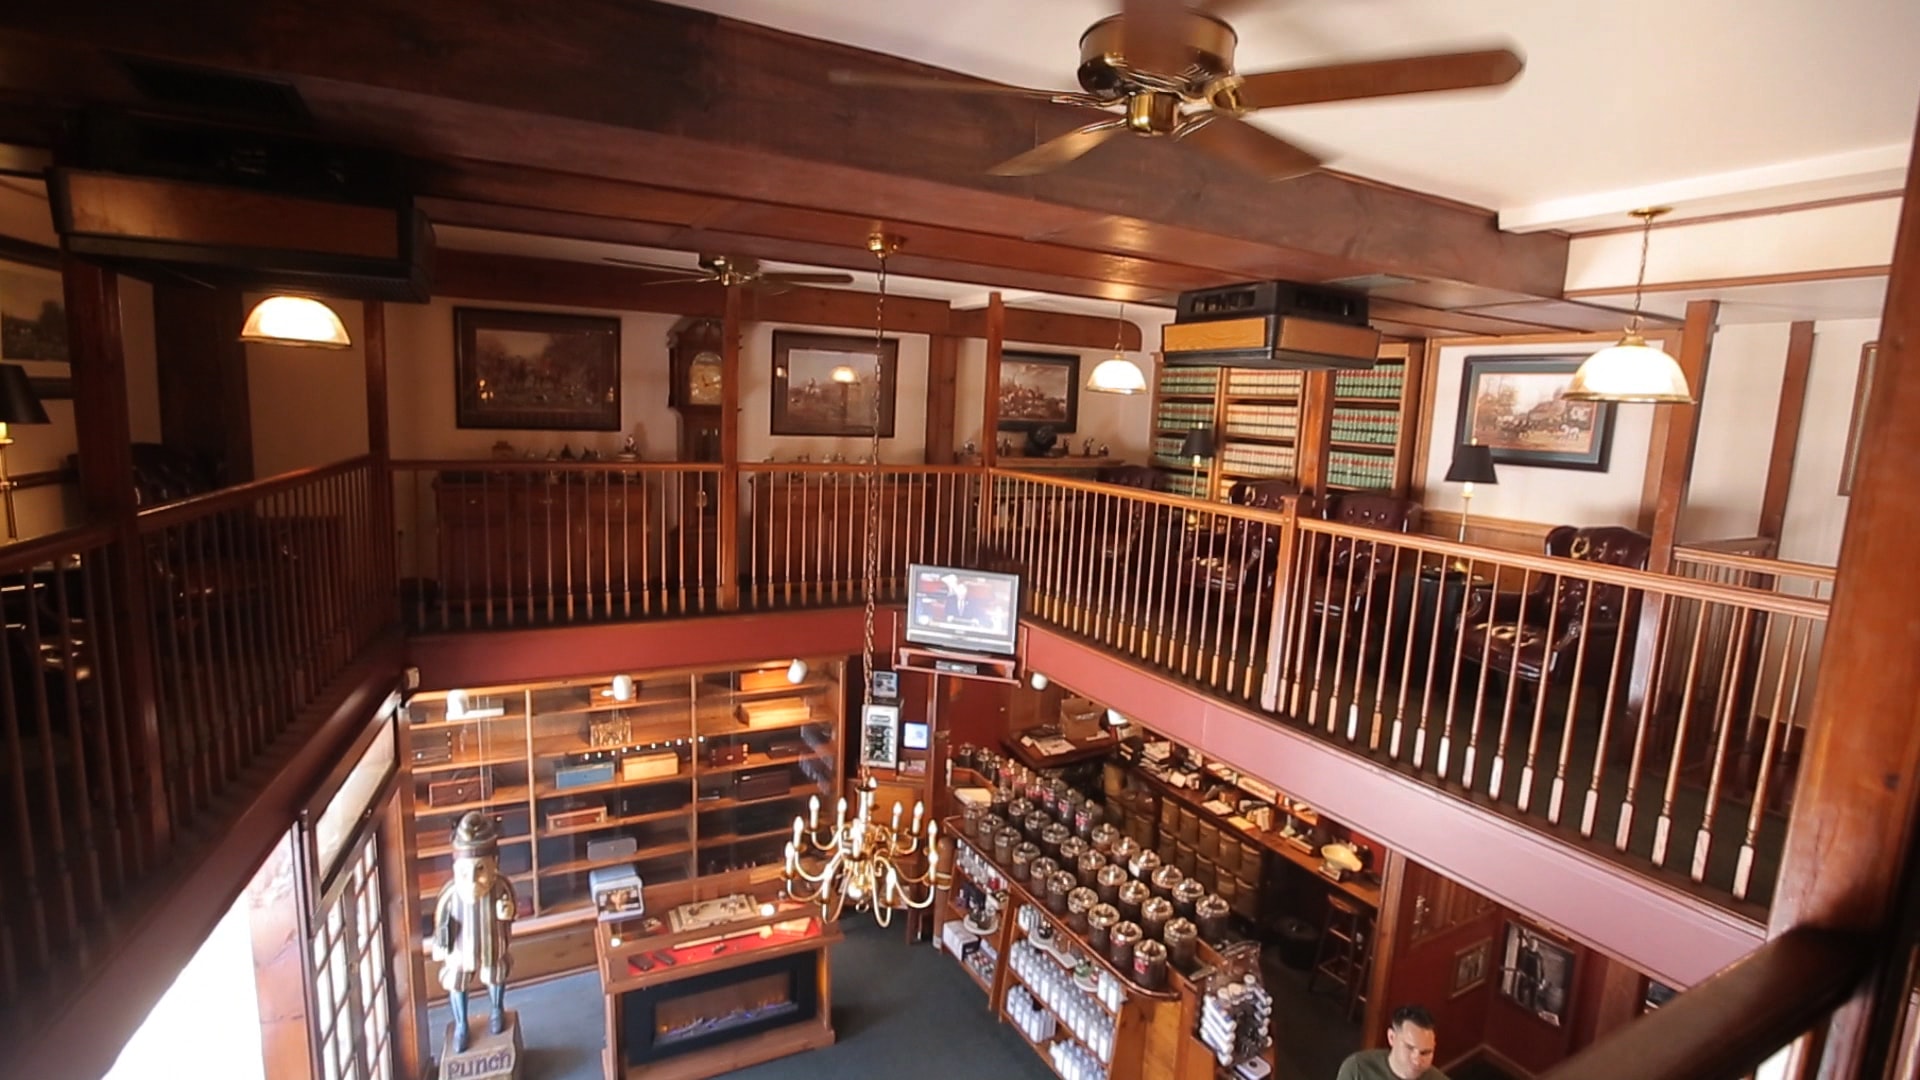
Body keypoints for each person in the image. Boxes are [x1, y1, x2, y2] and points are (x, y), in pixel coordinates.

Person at [432, 811, 519, 1053]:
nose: (471, 880)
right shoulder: (450, 894)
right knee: (458, 981)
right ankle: (461, 1024)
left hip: (492, 943)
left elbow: (512, 908)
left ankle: (496, 1009)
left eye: (480, 869)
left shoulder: (501, 886)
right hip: (460, 949)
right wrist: (440, 942)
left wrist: (507, 911)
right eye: (464, 872)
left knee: (495, 973)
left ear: (494, 864)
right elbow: (441, 919)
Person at [1336, 1005, 1447, 1080]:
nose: (1417, 1061)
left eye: (1425, 1052)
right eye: (1409, 1048)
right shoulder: (1357, 1069)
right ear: (1392, 1037)